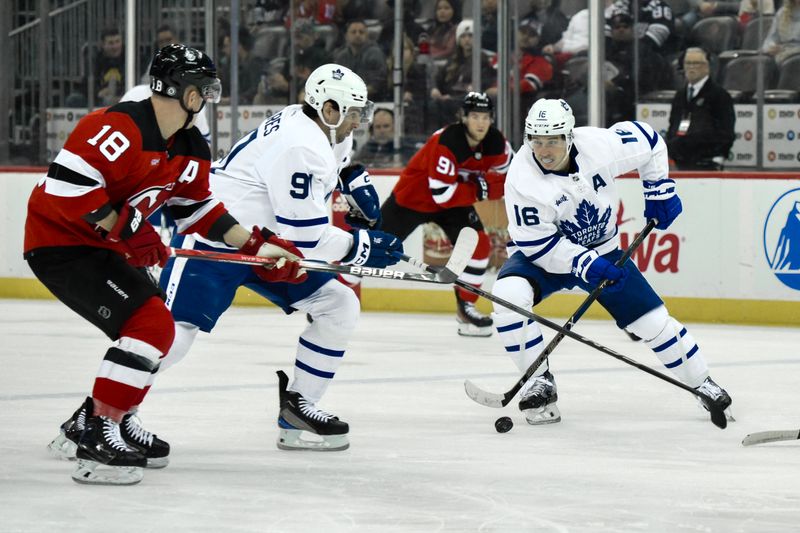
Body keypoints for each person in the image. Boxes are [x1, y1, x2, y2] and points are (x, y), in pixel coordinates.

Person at [32, 44, 303, 485]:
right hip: (60, 244)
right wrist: (126, 229)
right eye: (205, 89)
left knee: (157, 327)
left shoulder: (192, 145)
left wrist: (257, 244)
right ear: (184, 90)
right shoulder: (117, 127)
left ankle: (109, 420)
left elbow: (198, 211)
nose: (209, 99)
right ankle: (98, 431)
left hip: (102, 248)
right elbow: (64, 189)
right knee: (150, 326)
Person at [158, 64, 402, 452]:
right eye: (354, 111)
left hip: (266, 247)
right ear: (330, 109)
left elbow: (323, 176)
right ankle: (101, 413)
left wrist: (349, 177)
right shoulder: (300, 143)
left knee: (338, 304)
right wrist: (362, 246)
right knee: (171, 335)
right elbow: (304, 238)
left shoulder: (321, 126)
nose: (361, 120)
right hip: (217, 239)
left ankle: (298, 408)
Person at [492, 98, 732, 426]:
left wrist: (658, 188)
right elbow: (538, 245)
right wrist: (583, 263)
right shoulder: (523, 179)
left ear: (569, 137)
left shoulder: (600, 145)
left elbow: (650, 140)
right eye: (537, 141)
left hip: (604, 250)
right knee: (508, 296)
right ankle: (539, 381)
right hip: (546, 256)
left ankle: (703, 384)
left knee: (652, 322)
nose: (544, 150)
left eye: (552, 141)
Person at [380, 92, 512, 337]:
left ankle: (466, 309)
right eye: (474, 116)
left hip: (454, 204)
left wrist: (485, 187)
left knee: (479, 246)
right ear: (463, 117)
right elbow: (442, 193)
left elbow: (509, 179)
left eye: (485, 117)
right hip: (413, 199)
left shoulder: (497, 143)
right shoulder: (447, 141)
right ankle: (334, 292)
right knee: (373, 246)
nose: (480, 123)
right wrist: (484, 187)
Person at [666, 47, 735, 170]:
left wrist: (716, 156)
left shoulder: (719, 95)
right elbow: (673, 126)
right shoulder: (680, 95)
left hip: (707, 162)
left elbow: (726, 131)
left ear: (706, 66)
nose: (691, 67)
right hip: (681, 162)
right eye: (688, 63)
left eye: (696, 63)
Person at [332, 20, 388, 100]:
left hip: (373, 100)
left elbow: (377, 85)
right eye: (353, 32)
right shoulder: (341, 56)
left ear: (367, 35)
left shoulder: (374, 53)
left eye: (361, 32)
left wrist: (354, 94)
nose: (357, 35)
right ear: (346, 36)